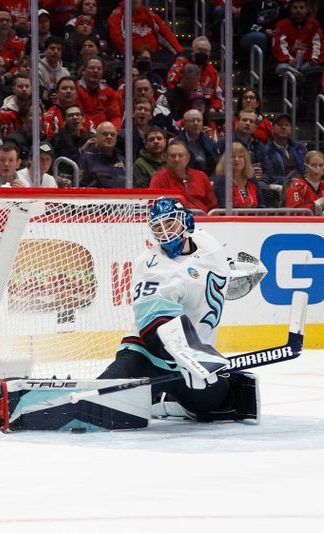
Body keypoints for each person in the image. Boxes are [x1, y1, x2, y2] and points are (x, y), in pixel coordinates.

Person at [97, 197, 257, 422]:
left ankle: (165, 398)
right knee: (100, 404)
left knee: (219, 408)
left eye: (170, 225)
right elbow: (152, 328)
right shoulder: (152, 264)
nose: (165, 234)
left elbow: (213, 273)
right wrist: (187, 356)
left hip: (194, 365)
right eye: (158, 229)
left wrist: (234, 274)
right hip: (147, 356)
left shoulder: (207, 243)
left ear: (186, 223)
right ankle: (151, 394)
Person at [150, 139, 217, 213]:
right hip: (174, 221)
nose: (177, 159)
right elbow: (153, 207)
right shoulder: (159, 179)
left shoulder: (201, 176)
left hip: (204, 221)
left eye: (180, 155)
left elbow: (213, 206)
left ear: (188, 158)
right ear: (166, 158)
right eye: (173, 156)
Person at [213, 142, 265, 209]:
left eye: (240, 156)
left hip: (254, 218)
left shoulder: (252, 180)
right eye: (233, 156)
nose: (236, 159)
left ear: (245, 159)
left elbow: (262, 206)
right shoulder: (222, 181)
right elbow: (222, 208)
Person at [285, 150, 324, 214]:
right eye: (313, 165)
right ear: (306, 166)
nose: (318, 168)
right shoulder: (297, 187)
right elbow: (294, 212)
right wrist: (321, 202)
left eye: (321, 165)